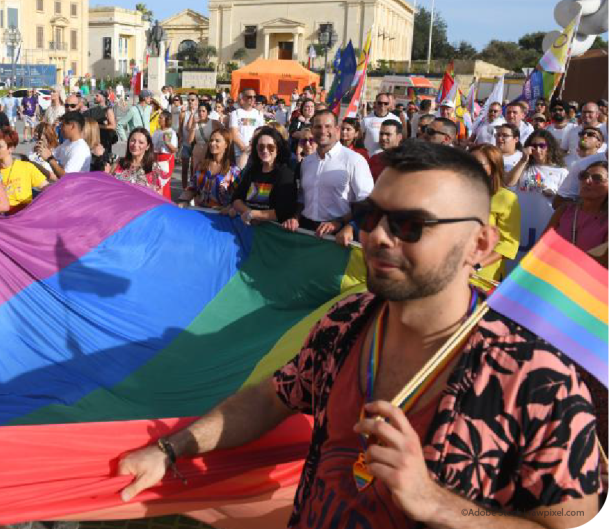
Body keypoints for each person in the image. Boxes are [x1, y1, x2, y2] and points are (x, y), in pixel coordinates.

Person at [117, 140, 600, 527]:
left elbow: (571, 519)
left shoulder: (538, 377)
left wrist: (435, 503)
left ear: (480, 243)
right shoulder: (346, 322)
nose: (379, 237)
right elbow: (271, 399)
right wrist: (170, 449)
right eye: (370, 217)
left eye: (411, 225)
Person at [288, 110, 373, 246]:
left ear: (337, 130)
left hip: (337, 236)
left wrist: (346, 225)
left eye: (328, 126)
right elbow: (303, 198)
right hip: (306, 231)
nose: (323, 131)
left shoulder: (355, 160)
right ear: (312, 130)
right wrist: (295, 217)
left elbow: (367, 202)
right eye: (318, 126)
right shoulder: (306, 162)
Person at [468, 144, 521, 284]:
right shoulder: (456, 193)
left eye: (478, 164)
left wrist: (476, 266)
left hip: (482, 277)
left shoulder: (506, 198)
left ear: (493, 167)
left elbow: (508, 245)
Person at [227, 126, 297, 225]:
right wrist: (249, 213)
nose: (265, 150)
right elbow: (236, 199)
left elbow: (284, 211)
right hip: (247, 227)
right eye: (261, 147)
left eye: (270, 147)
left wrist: (255, 215)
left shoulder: (285, 174)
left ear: (278, 149)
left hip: (270, 232)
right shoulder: (252, 171)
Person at [546, 161, 609, 266]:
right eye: (584, 176)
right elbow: (542, 246)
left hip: (587, 280)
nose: (587, 181)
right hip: (552, 276)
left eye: (597, 178)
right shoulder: (564, 210)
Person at [0, 126, 51, 213]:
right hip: (0, 216)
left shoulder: (27, 167)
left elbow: (47, 188)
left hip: (24, 216)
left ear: (11, 148)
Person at [177, 128, 241, 210]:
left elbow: (238, 197)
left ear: (226, 145)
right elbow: (192, 188)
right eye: (211, 140)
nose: (212, 143)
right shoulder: (201, 166)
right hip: (200, 212)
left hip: (222, 216)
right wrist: (183, 201)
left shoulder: (233, 171)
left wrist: (229, 208)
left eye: (217, 141)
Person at [504, 129, 568, 204]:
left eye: (542, 146)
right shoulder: (523, 166)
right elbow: (509, 183)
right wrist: (523, 160)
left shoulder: (561, 172)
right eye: (534, 146)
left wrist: (553, 195)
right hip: (523, 213)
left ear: (549, 147)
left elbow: (564, 202)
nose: (537, 150)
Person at [37, 110, 91, 178]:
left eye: (63, 125)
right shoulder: (68, 142)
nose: (60, 128)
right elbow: (53, 153)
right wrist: (43, 147)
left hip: (74, 188)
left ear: (72, 126)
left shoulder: (80, 149)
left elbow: (66, 177)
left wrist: (50, 159)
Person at [230, 88, 266, 169]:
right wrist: (244, 149)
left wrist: (253, 148)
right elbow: (234, 134)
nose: (252, 99)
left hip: (256, 151)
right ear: (243, 98)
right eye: (249, 97)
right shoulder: (235, 113)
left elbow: (260, 133)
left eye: (254, 96)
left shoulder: (259, 114)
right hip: (240, 152)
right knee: (241, 177)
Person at [152, 111, 178, 199]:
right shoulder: (156, 132)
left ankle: (165, 201)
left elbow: (174, 149)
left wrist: (167, 142)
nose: (158, 120)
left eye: (161, 118)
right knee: (155, 183)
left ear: (167, 120)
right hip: (155, 158)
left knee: (164, 183)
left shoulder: (171, 132)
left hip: (166, 159)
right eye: (159, 118)